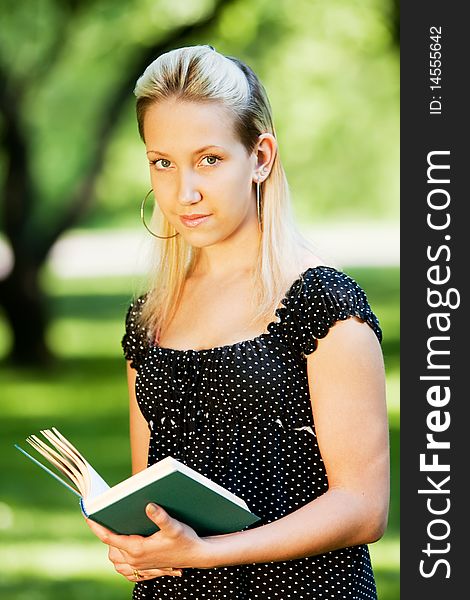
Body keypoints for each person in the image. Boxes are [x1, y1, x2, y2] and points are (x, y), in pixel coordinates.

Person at [86, 44, 389, 600]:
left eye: (209, 159)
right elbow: (153, 496)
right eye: (163, 163)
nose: (185, 192)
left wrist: (208, 553)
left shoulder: (321, 301)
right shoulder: (150, 317)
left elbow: (364, 508)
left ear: (261, 158)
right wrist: (139, 545)